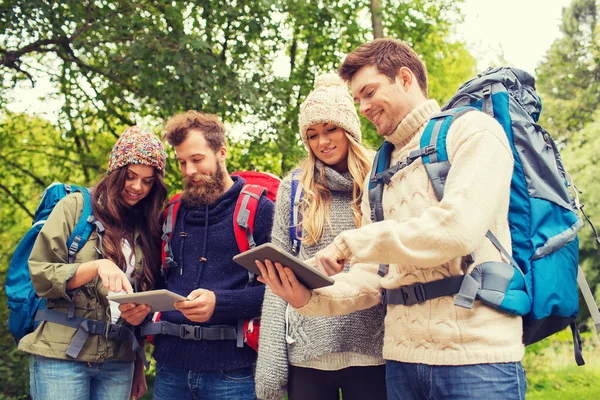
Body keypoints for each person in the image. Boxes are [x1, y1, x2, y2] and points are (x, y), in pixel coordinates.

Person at [256, 38, 527, 400]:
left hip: (477, 362)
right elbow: (371, 276)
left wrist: (351, 242)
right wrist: (309, 297)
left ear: (404, 78)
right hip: (401, 364)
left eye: (369, 92)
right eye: (358, 100)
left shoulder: (474, 131)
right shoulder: (381, 170)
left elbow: (457, 229)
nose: (364, 108)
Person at [255, 74, 386, 400]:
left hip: (373, 350)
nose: (322, 141)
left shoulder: (379, 181)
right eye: (312, 135)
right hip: (309, 353)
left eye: (331, 129)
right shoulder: (294, 188)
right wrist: (270, 365)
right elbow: (276, 281)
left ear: (350, 130)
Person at [19, 126, 168, 400]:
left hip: (119, 360)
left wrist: (137, 361)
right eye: (131, 176)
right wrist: (97, 266)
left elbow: (139, 297)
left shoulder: (147, 227)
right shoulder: (75, 207)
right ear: (115, 171)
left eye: (147, 181)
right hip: (61, 356)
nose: (137, 187)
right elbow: (40, 273)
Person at [149, 111, 275, 400]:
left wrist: (221, 303)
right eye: (182, 162)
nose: (189, 171)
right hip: (170, 370)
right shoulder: (172, 214)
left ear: (221, 153)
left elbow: (282, 292)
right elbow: (158, 282)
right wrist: (141, 305)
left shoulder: (260, 211)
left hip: (234, 373)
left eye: (197, 159)